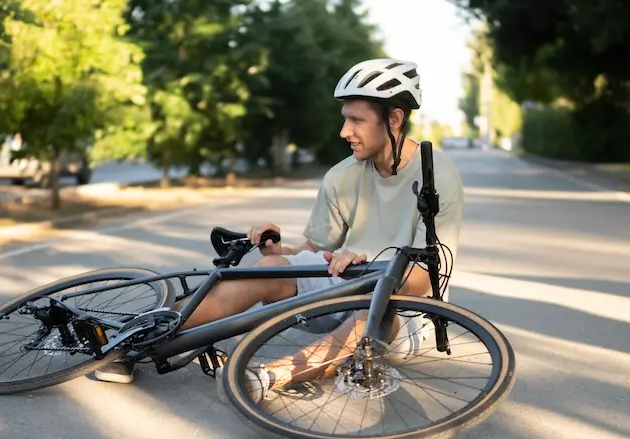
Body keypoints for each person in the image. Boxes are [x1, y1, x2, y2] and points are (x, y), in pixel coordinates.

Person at [93, 58, 465, 398]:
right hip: (340, 284)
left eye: (356, 120)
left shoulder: (436, 175)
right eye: (344, 118)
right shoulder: (342, 176)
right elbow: (315, 248)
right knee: (267, 270)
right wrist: (278, 251)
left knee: (371, 313)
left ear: (394, 119)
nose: (343, 131)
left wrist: (374, 266)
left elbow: (426, 278)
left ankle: (267, 377)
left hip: (403, 308)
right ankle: (131, 341)